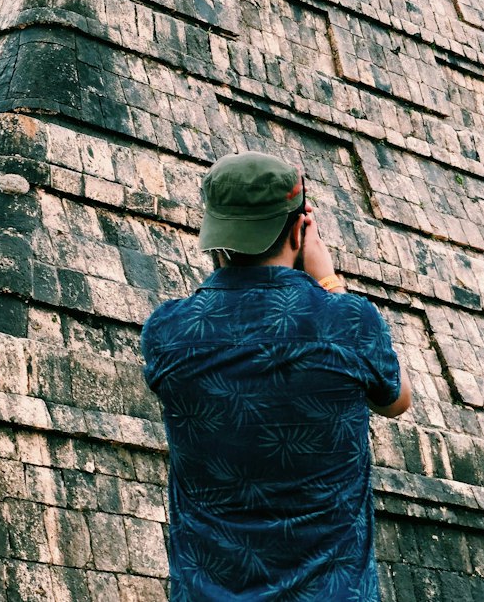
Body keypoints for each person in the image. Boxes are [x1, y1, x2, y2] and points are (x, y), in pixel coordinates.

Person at [141, 150, 410, 602]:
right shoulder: (347, 322)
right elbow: (395, 401)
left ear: (215, 233)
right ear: (299, 228)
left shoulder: (168, 332)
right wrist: (329, 284)